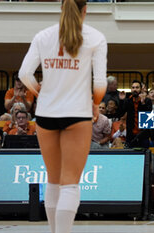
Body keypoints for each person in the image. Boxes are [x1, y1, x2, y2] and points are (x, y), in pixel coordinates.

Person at [18, 1, 107, 233]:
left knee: (54, 179)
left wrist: (41, 92)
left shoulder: (43, 36)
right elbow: (100, 83)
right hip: (77, 114)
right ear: (85, 10)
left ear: (61, 9)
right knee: (70, 183)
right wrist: (96, 104)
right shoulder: (95, 37)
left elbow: (24, 74)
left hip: (46, 114)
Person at [122, 80, 152, 148]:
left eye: (137, 87)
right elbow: (120, 114)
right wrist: (121, 100)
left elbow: (148, 121)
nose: (135, 89)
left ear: (141, 89)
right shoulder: (127, 101)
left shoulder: (147, 101)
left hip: (143, 135)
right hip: (130, 135)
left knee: (145, 156)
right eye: (133, 87)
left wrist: (143, 103)